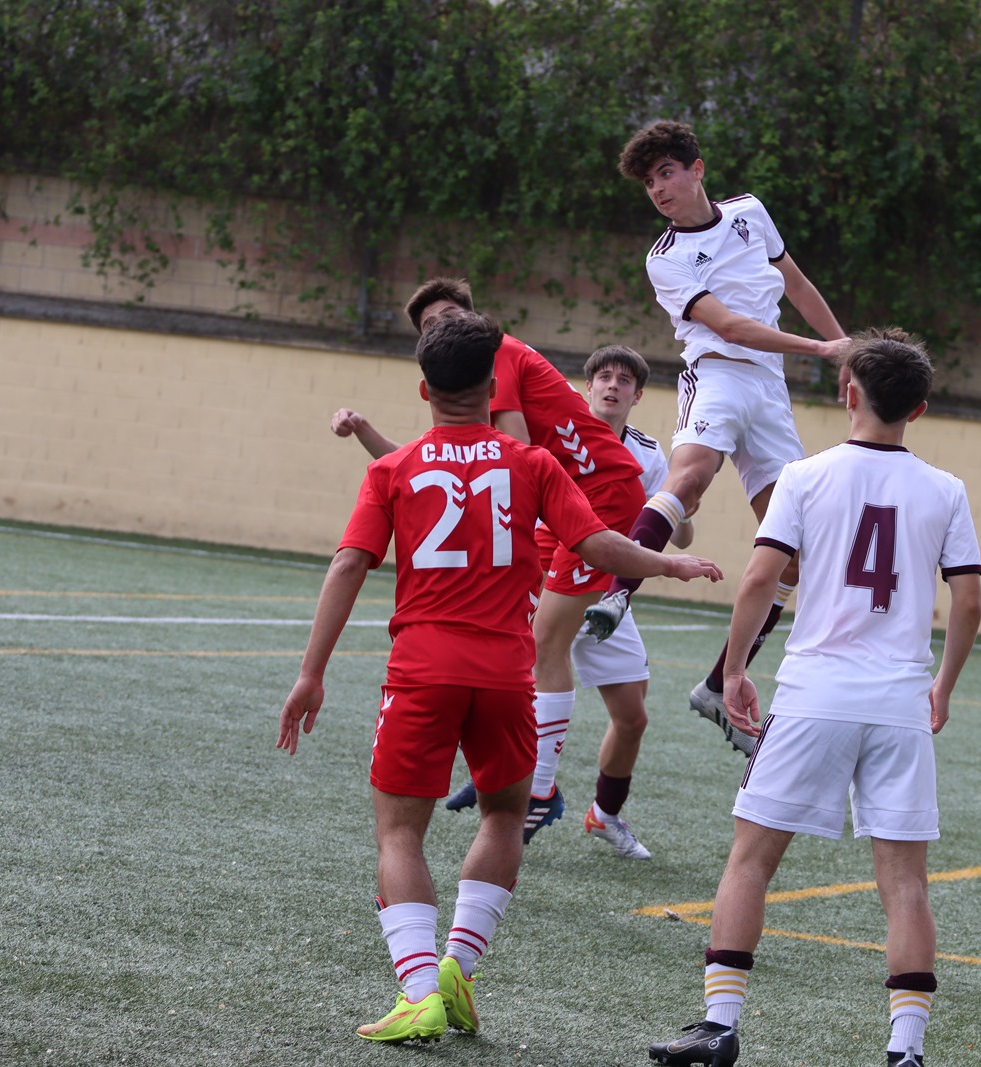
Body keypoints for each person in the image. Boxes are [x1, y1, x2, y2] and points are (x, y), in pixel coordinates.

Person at [280, 312, 722, 1044]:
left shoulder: (392, 469)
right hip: (508, 673)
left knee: (400, 831)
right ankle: (458, 967)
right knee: (505, 816)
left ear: (424, 390)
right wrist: (668, 562)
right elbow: (597, 543)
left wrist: (311, 673)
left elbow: (350, 563)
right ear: (493, 388)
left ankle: (418, 991)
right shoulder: (534, 464)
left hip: (422, 671)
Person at [644, 328, 981, 1067]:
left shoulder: (803, 477)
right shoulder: (946, 489)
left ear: (847, 393)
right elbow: (968, 601)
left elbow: (760, 578)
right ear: (919, 410)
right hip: (899, 703)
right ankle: (905, 1050)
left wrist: (733, 669)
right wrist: (944, 685)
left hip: (813, 696)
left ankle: (719, 1027)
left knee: (750, 860)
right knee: (905, 881)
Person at [332, 343, 695, 861]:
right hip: (551, 574)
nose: (612, 386)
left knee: (633, 716)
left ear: (638, 395)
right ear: (586, 387)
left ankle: (602, 812)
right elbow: (432, 466)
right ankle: (534, 787)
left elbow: (665, 527)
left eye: (624, 380)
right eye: (604, 377)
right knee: (532, 659)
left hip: (601, 583)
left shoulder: (645, 455)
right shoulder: (550, 433)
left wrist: (679, 511)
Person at [585, 119, 854, 758]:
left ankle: (716, 685)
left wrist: (844, 346)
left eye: (666, 173)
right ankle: (618, 593)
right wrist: (821, 349)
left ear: (696, 169)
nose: (658, 189)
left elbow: (796, 283)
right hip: (717, 374)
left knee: (795, 551)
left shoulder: (750, 213)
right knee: (692, 475)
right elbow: (729, 327)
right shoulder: (665, 258)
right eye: (649, 182)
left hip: (770, 389)